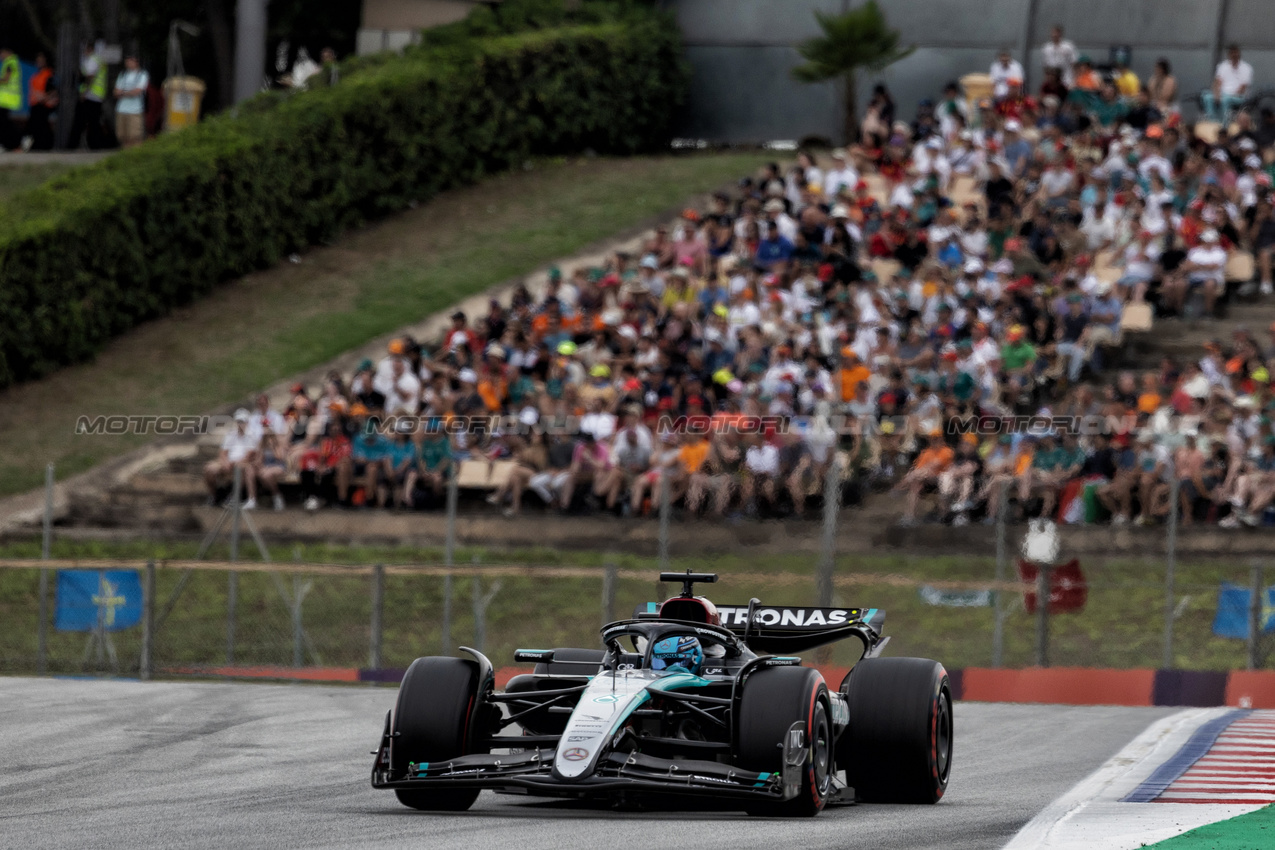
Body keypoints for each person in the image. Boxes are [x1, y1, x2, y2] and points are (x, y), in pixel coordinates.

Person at [69, 43, 108, 150]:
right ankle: (95, 145)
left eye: (84, 50)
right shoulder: (98, 59)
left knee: (81, 122)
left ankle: (73, 146)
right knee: (93, 122)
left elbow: (90, 77)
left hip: (90, 96)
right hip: (97, 96)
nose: (83, 52)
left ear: (89, 49)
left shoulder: (92, 60)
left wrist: (84, 92)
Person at [1202, 44, 1253, 123]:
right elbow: (1217, 82)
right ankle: (1212, 121)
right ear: (1229, 55)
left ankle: (1224, 123)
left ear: (1239, 54)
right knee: (1207, 97)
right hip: (1223, 93)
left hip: (1239, 96)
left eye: (1236, 53)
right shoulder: (1223, 66)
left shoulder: (1246, 68)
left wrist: (1226, 96)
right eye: (1232, 53)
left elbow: (1243, 88)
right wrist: (1217, 94)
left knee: (1225, 100)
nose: (1234, 55)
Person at [112, 54, 149, 148]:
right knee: (122, 135)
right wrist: (127, 92)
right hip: (121, 109)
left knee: (135, 135)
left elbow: (137, 91)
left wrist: (123, 93)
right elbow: (116, 92)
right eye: (127, 61)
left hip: (135, 110)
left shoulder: (142, 74)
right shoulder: (123, 74)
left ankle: (135, 156)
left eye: (130, 61)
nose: (128, 63)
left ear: (136, 62)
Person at [27, 52, 57, 151]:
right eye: (38, 60)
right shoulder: (38, 74)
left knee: (41, 125)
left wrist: (44, 98)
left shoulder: (49, 73)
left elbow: (54, 90)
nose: (39, 62)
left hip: (44, 104)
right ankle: (38, 145)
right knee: (36, 125)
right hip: (36, 103)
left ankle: (45, 145)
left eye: (41, 60)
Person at [0, 45, 20, 151]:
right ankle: (10, 144)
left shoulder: (10, 63)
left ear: (8, 52)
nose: (1, 56)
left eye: (2, 53)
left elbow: (6, 80)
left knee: (5, 122)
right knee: (4, 122)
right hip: (6, 99)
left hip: (7, 99)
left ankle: (16, 142)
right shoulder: (12, 62)